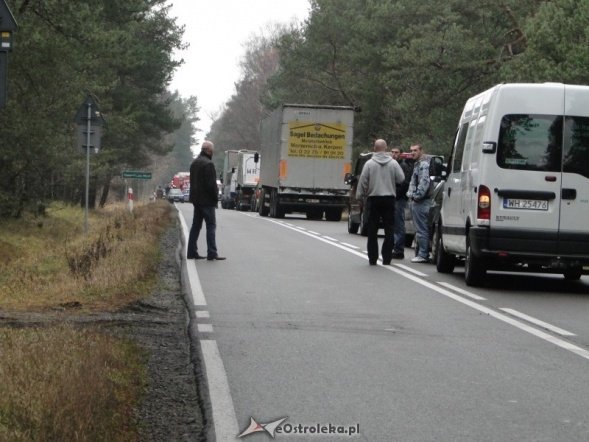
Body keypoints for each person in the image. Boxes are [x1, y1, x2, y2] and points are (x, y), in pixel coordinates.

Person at [356, 139, 405, 265]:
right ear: (386, 148)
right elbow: (401, 178)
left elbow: (363, 181)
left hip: (373, 199)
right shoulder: (393, 163)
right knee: (389, 229)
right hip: (389, 199)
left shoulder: (369, 164)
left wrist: (359, 195)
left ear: (374, 148)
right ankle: (387, 257)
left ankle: (373, 258)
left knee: (372, 230)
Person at [187, 141, 226, 261]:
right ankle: (212, 252)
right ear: (209, 150)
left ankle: (191, 252)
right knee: (211, 225)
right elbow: (211, 185)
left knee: (196, 226)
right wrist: (215, 198)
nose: (213, 152)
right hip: (207, 201)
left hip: (196, 200)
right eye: (212, 150)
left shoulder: (194, 163)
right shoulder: (208, 164)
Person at [406, 144, 432, 263]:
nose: (412, 153)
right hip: (418, 201)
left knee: (421, 229)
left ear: (421, 151)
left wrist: (417, 196)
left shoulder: (423, 164)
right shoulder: (418, 164)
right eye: (411, 151)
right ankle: (420, 253)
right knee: (420, 228)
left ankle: (423, 254)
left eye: (415, 150)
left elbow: (424, 181)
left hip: (421, 202)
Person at [391, 147, 413, 259]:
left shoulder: (403, 166)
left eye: (396, 153)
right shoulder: (392, 165)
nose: (394, 154)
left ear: (401, 154)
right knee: (394, 224)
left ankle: (399, 250)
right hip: (394, 198)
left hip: (399, 199)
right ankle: (395, 247)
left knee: (399, 224)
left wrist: (397, 195)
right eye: (392, 152)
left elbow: (405, 183)